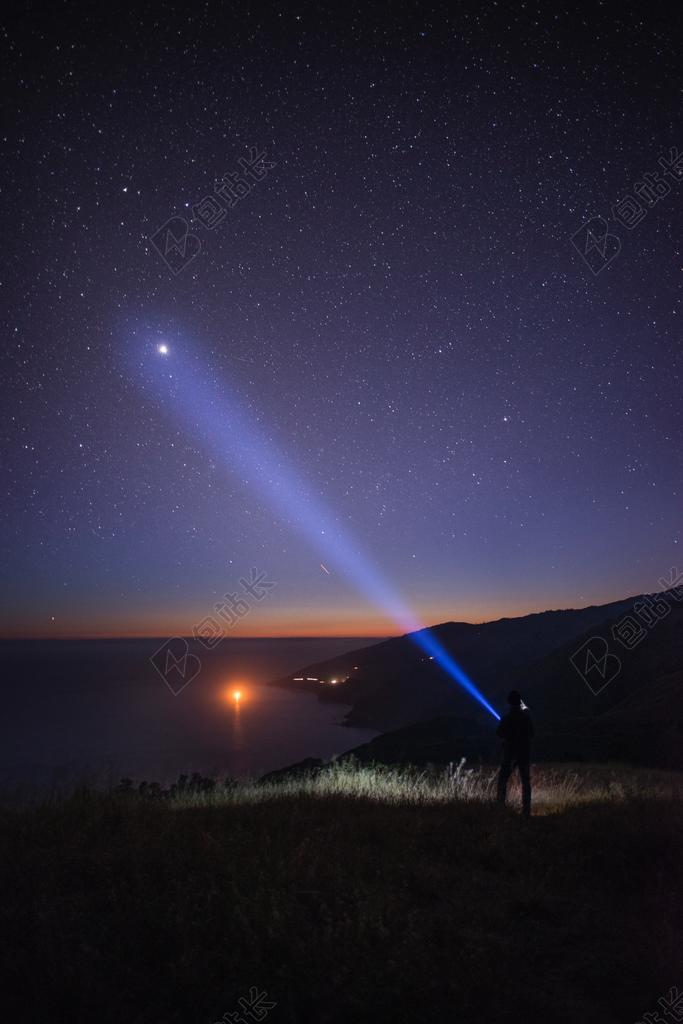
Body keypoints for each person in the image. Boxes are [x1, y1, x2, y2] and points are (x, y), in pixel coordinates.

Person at [496, 689, 533, 816]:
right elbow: (532, 734)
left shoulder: (507, 718)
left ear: (509, 703)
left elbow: (499, 733)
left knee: (502, 780)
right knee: (525, 782)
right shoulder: (526, 718)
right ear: (519, 702)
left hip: (509, 753)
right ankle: (526, 812)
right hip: (524, 753)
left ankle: (500, 808)